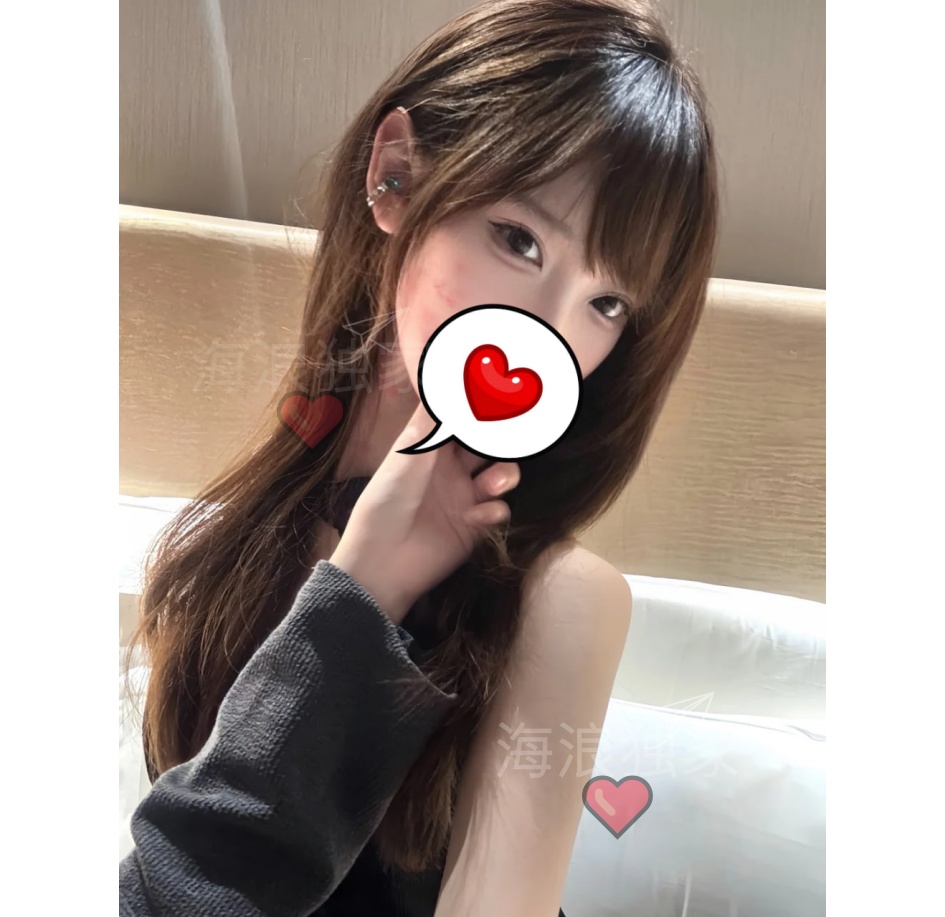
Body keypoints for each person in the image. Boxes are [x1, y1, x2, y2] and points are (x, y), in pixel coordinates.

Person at [120, 0, 719, 913]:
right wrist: (360, 590)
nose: (546, 333)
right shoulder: (233, 541)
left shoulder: (558, 602)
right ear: (394, 176)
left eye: (606, 304)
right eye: (519, 240)